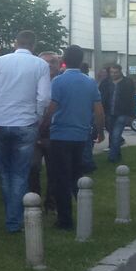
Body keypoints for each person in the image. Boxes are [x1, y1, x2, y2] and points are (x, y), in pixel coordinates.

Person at [0, 30, 50, 233]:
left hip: (0, 122)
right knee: (20, 174)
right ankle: (13, 221)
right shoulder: (40, 65)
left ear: (15, 43)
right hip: (25, 123)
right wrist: (36, 117)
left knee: (5, 173)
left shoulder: (0, 62)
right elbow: (44, 98)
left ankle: (11, 216)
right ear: (33, 45)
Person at [47, 46, 104, 230]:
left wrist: (43, 125)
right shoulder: (90, 83)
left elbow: (52, 108)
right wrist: (101, 130)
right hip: (81, 136)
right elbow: (99, 110)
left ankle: (65, 220)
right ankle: (84, 211)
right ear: (81, 61)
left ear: (64, 59)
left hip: (60, 135)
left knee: (60, 178)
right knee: (77, 175)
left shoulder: (58, 81)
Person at [29, 51, 62, 209]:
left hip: (55, 132)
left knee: (54, 169)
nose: (49, 65)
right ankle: (34, 200)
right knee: (33, 167)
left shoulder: (62, 82)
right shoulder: (31, 82)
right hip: (34, 130)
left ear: (59, 64)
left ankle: (52, 203)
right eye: (45, 62)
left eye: (53, 62)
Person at [102, 64, 136, 162]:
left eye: (115, 72)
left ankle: (112, 158)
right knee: (113, 134)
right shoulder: (106, 83)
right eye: (111, 72)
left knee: (116, 135)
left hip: (122, 112)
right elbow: (101, 97)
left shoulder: (128, 82)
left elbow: (132, 99)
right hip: (108, 112)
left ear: (120, 71)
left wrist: (131, 115)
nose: (113, 74)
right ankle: (117, 154)